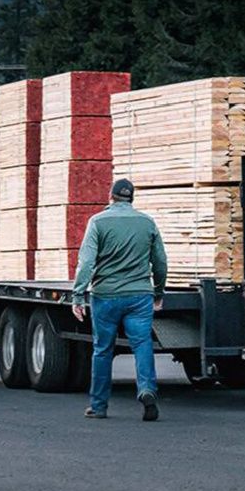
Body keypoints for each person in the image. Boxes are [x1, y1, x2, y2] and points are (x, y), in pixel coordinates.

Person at [71, 178, 168, 421]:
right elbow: (161, 262)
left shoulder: (98, 222)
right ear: (132, 198)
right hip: (139, 296)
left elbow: (86, 263)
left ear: (110, 196)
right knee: (142, 344)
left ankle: (99, 406)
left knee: (103, 349)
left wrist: (78, 295)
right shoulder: (147, 222)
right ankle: (146, 390)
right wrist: (158, 292)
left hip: (106, 296)